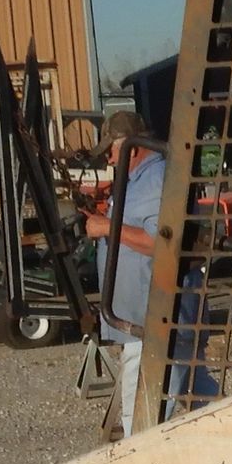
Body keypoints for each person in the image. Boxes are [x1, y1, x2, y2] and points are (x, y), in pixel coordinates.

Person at [80, 110, 163, 437]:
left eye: (112, 152)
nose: (110, 161)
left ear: (131, 145)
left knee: (137, 402)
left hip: (150, 318)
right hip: (139, 315)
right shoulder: (136, 180)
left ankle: (136, 458)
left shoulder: (155, 180)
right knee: (190, 387)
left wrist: (107, 227)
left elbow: (160, 243)